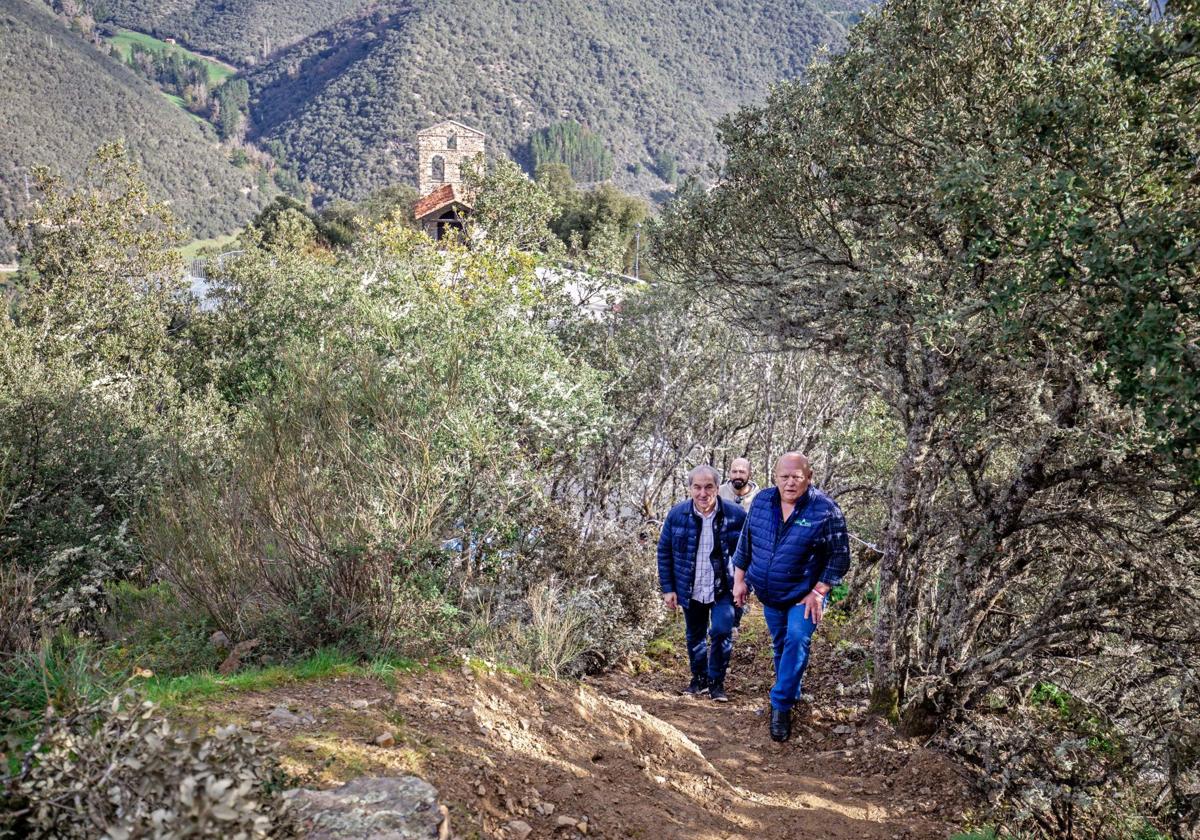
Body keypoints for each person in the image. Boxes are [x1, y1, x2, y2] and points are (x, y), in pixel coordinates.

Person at [732, 452, 850, 741]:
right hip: (770, 594)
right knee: (781, 645)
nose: (790, 483)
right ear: (775, 478)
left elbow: (840, 557)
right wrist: (739, 580)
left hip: (804, 595)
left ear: (808, 478)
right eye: (784, 477)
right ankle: (792, 692)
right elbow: (746, 543)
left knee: (797, 638)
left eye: (797, 477)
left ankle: (781, 705)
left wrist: (819, 590)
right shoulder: (762, 502)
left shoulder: (825, 510)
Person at [657, 465, 747, 702]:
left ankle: (716, 682)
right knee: (694, 635)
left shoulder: (735, 515)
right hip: (690, 585)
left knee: (721, 630)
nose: (702, 493)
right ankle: (699, 679)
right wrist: (668, 588)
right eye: (697, 487)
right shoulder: (677, 514)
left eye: (708, 487)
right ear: (690, 488)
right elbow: (664, 551)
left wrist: (745, 584)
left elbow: (750, 552)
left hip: (724, 587)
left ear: (718, 488)